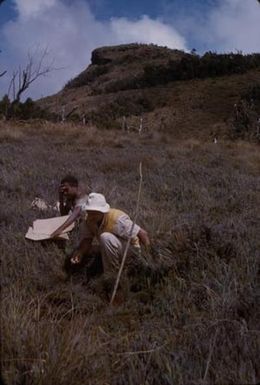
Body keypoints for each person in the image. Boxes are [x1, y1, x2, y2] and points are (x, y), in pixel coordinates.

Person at [70, 193, 150, 274]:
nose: (91, 216)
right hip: (115, 246)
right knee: (88, 249)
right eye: (89, 212)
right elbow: (87, 240)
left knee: (105, 237)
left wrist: (148, 258)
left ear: (102, 211)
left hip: (131, 250)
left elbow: (143, 233)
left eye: (95, 213)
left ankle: (112, 273)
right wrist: (80, 252)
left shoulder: (117, 219)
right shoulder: (89, 221)